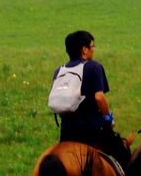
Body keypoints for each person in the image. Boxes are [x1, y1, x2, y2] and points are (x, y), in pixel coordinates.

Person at [54, 30, 130, 166]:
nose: (93, 49)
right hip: (92, 130)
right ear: (84, 49)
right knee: (123, 153)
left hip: (67, 132)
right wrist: (108, 118)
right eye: (92, 46)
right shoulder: (94, 66)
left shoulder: (59, 71)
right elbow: (99, 97)